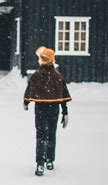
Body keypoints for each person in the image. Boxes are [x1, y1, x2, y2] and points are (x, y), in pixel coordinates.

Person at [24, 46, 71, 176]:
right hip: (54, 110)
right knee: (51, 134)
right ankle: (50, 160)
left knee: (41, 136)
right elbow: (63, 95)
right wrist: (65, 111)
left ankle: (40, 164)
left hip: (40, 109)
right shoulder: (57, 76)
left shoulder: (37, 75)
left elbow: (29, 90)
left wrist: (26, 102)